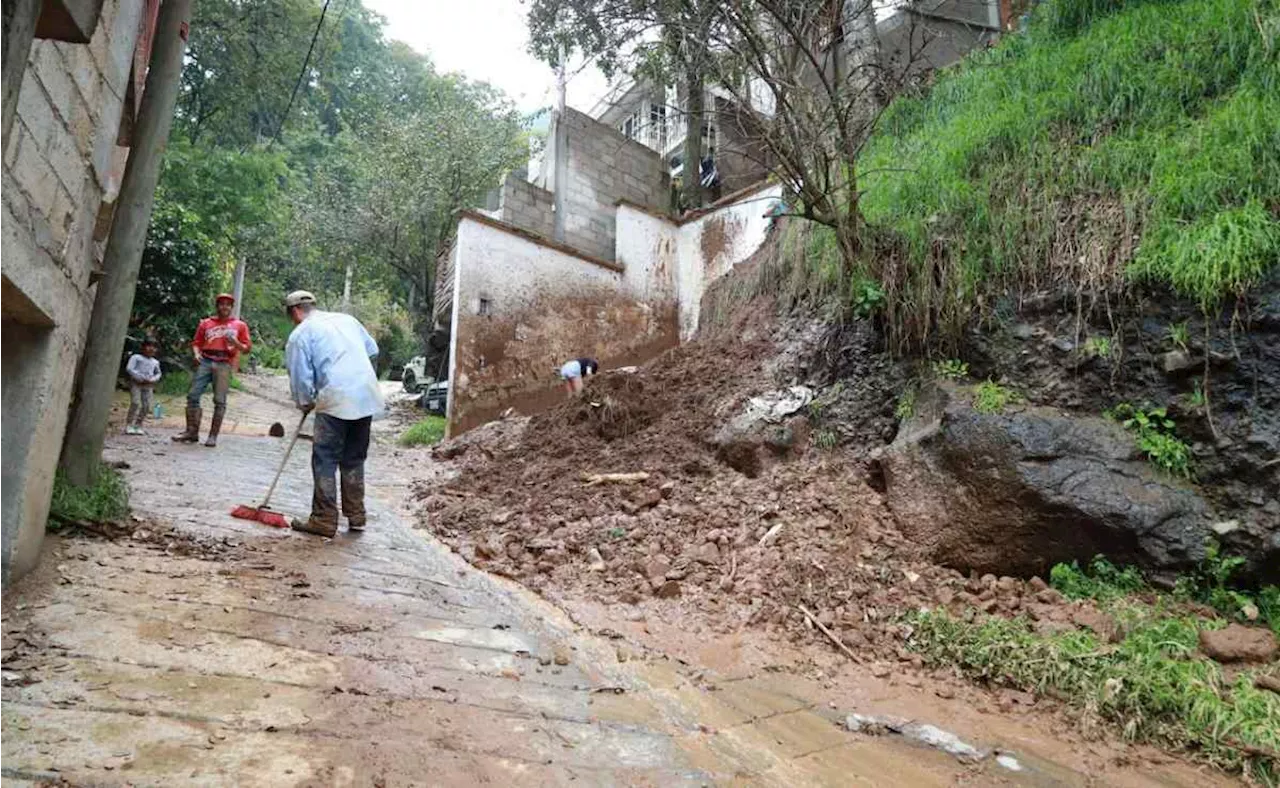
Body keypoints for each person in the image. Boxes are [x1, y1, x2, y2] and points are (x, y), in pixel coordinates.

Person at [283, 290, 384, 538]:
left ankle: (324, 518)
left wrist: (305, 401)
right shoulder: (346, 320)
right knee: (354, 457)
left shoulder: (300, 334)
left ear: (295, 312)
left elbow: (300, 377)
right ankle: (356, 515)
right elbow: (372, 349)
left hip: (337, 396)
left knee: (325, 457)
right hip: (366, 394)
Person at [172, 293, 251, 447]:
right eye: (221, 304)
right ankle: (192, 431)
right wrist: (196, 354)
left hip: (224, 362)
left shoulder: (239, 325)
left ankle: (213, 436)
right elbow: (196, 342)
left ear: (231, 307)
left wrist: (235, 343)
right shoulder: (206, 323)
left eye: (228, 304)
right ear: (217, 306)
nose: (225, 307)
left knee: (220, 400)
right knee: (193, 394)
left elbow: (247, 348)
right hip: (206, 360)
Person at [124, 338, 162, 435]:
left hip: (148, 385)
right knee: (135, 403)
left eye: (154, 347)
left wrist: (152, 379)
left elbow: (158, 373)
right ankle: (129, 424)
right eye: (149, 346)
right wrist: (139, 377)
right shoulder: (136, 357)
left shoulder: (155, 362)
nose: (151, 349)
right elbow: (130, 368)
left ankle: (138, 424)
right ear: (143, 347)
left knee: (147, 405)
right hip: (136, 384)